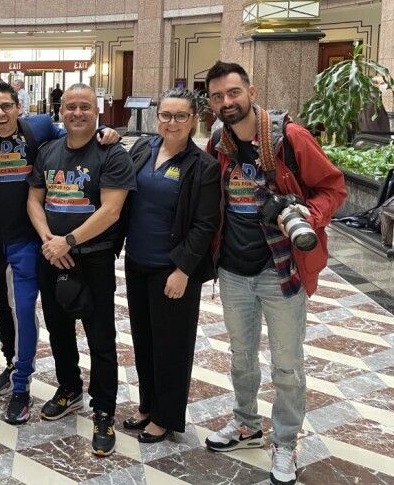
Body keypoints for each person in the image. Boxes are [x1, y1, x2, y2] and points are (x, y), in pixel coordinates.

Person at [202, 61, 345, 485]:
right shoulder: (217, 140)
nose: (226, 102)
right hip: (233, 269)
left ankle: (285, 443)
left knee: (287, 364)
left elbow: (333, 187)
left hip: (281, 268)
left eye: (233, 93)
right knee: (241, 357)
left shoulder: (289, 137)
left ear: (251, 90)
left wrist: (307, 214)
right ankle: (246, 423)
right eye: (217, 97)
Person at [0, 80, 119, 425]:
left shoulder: (39, 128)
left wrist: (108, 131)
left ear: (19, 107)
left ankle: (23, 384)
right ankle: (13, 364)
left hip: (29, 243)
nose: (1, 113)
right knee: (3, 307)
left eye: (7, 106)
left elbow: (77, 127)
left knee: (25, 310)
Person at [27, 83, 136, 456]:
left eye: (84, 107)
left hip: (94, 258)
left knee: (100, 337)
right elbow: (34, 199)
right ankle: (70, 388)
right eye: (70, 106)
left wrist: (67, 241)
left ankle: (103, 408)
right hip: (52, 255)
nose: (77, 113)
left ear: (97, 110)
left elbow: (111, 210)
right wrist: (48, 240)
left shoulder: (112, 153)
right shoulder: (48, 151)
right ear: (61, 111)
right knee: (58, 330)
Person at [122, 88, 221, 443]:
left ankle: (165, 416)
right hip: (137, 262)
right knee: (144, 340)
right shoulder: (142, 149)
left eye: (181, 116)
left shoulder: (203, 166)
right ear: (156, 117)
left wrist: (182, 271)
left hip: (173, 270)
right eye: (166, 115)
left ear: (195, 119)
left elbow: (204, 224)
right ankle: (148, 404)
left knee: (172, 347)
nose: (172, 122)